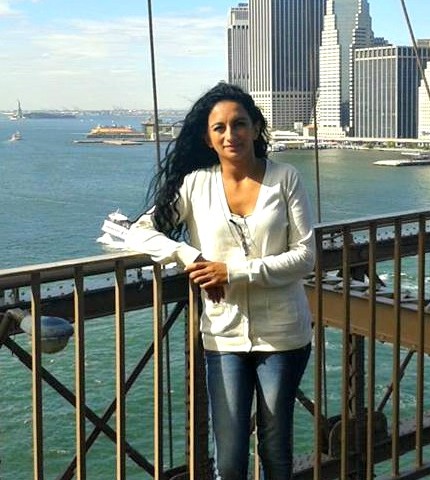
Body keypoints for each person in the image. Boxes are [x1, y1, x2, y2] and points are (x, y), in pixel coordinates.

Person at [125, 82, 315, 480]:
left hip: (283, 334)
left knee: (275, 450)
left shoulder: (285, 178)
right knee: (229, 457)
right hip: (223, 335)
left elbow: (305, 257)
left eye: (239, 124)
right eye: (220, 128)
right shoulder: (196, 185)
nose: (231, 134)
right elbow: (139, 232)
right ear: (207, 139)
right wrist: (190, 256)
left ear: (256, 127)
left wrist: (232, 271)